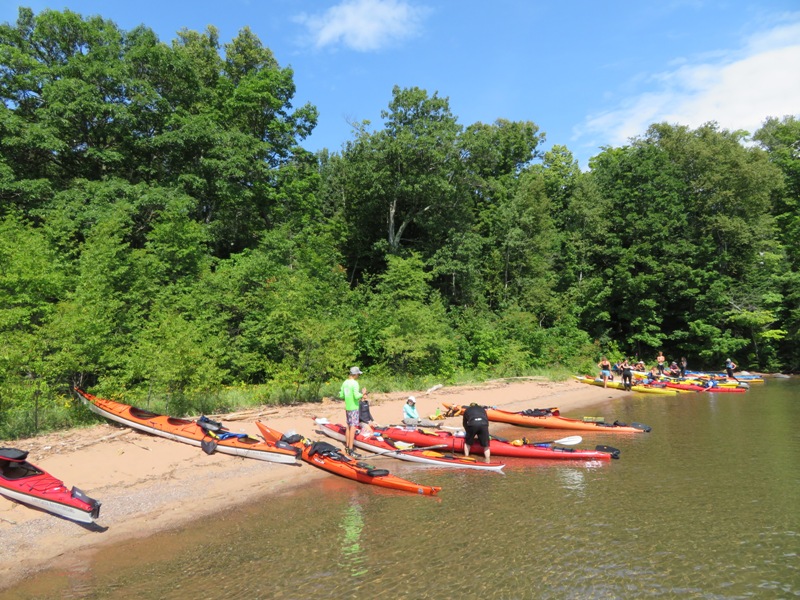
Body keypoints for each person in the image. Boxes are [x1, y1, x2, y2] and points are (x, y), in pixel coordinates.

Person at [339, 366, 366, 457]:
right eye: (358, 374)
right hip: (354, 407)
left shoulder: (345, 382)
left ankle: (347, 447)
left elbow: (341, 395)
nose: (358, 375)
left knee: (348, 426)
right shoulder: (354, 383)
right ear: (355, 374)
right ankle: (351, 450)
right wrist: (363, 394)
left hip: (347, 407)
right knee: (353, 428)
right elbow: (356, 396)